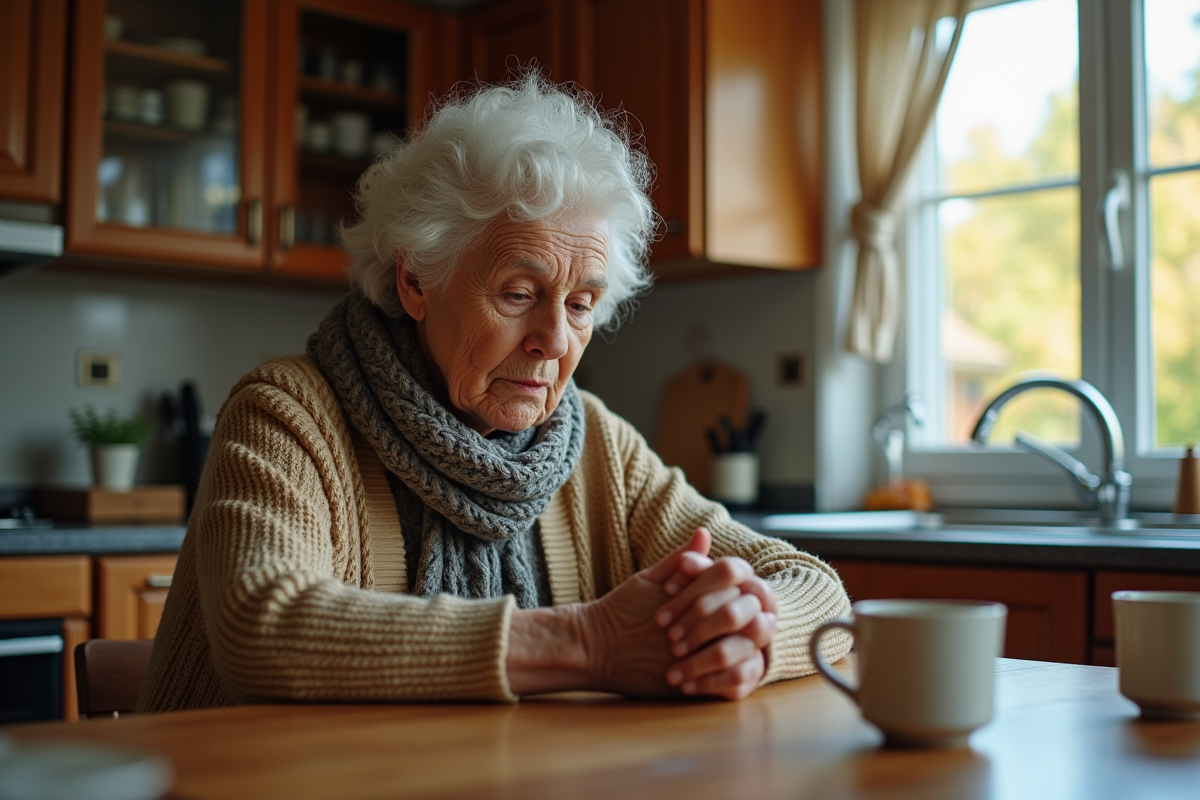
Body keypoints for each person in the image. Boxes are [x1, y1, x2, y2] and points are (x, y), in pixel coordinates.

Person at [139, 76, 851, 712]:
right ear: (416, 281)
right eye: (519, 292)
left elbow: (813, 586)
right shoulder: (286, 414)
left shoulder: (594, 443)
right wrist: (589, 643)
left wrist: (748, 629)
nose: (553, 339)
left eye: (580, 305)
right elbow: (261, 626)